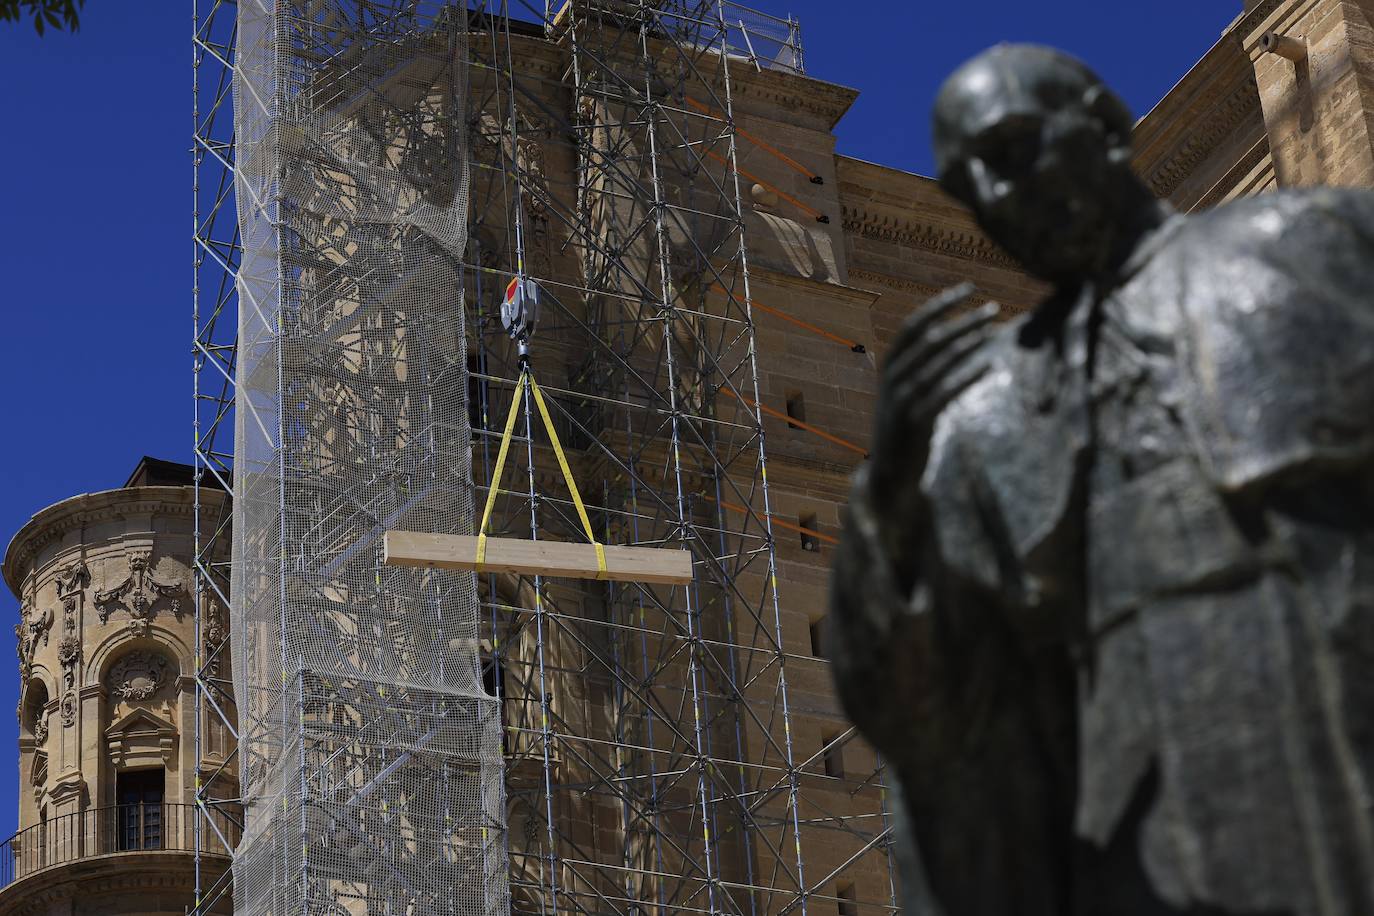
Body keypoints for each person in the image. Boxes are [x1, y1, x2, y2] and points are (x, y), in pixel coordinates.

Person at [830, 43, 1374, 916]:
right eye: (970, 185)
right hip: (1135, 828)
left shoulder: (1315, 249)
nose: (998, 195)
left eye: (1014, 149)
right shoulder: (985, 414)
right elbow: (920, 703)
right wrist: (889, 492)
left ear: (1108, 127)